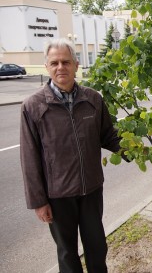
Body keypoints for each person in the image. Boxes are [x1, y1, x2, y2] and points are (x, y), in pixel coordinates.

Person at [20, 38, 124, 272]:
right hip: (57, 196)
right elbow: (29, 158)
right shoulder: (33, 106)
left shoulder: (93, 99)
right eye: (54, 63)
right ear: (46, 67)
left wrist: (135, 150)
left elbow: (108, 135)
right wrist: (39, 201)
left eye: (66, 62)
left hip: (91, 190)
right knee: (67, 253)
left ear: (76, 65)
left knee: (97, 248)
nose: (60, 67)